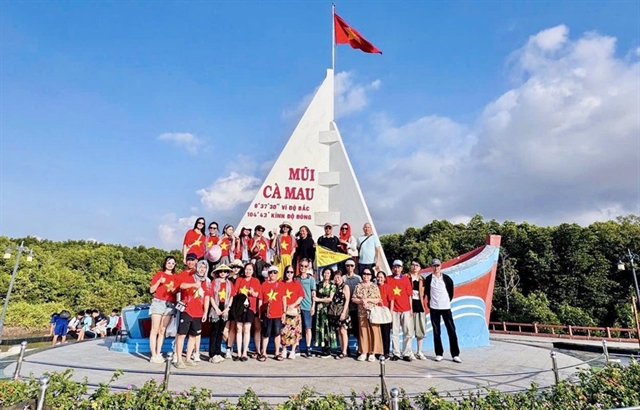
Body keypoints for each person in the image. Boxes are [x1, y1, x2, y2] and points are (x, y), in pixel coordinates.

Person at [175, 260, 211, 369]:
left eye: (204, 267)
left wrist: (205, 312)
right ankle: (179, 359)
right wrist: (194, 284)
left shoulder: (207, 282)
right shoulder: (191, 277)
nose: (202, 269)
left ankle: (188, 358)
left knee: (193, 336)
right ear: (197, 267)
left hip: (198, 312)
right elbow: (181, 285)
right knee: (181, 335)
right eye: (200, 267)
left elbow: (207, 298)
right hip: (187, 310)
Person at [424, 258, 461, 363]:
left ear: (441, 266)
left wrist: (446, 302)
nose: (436, 268)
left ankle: (455, 354)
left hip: (445, 307)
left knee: (451, 330)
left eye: (438, 266)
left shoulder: (447, 278)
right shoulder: (428, 279)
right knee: (436, 332)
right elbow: (427, 292)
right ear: (431, 267)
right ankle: (439, 353)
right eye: (434, 266)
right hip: (434, 308)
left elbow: (450, 293)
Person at [148, 256, 178, 363]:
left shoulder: (175, 277)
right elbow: (151, 290)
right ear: (165, 263)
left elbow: (176, 292)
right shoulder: (159, 274)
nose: (170, 265)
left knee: (162, 330)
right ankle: (153, 355)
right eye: (169, 263)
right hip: (158, 302)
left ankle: (158, 352)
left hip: (170, 304)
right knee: (154, 329)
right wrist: (159, 282)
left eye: (173, 263)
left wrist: (173, 289)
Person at [351, 268, 383, 362]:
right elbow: (353, 298)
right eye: (364, 273)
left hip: (373, 313)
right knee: (363, 332)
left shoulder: (374, 287)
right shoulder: (358, 286)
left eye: (368, 274)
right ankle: (364, 352)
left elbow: (378, 299)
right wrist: (362, 301)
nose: (366, 276)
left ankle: (372, 353)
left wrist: (368, 300)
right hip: (362, 312)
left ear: (371, 276)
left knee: (374, 331)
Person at [233, 262, 261, 361]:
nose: (247, 271)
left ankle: (244, 352)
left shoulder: (256, 281)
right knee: (238, 329)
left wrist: (252, 292)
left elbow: (257, 294)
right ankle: (238, 353)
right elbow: (235, 293)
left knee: (247, 329)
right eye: (246, 269)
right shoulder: (239, 280)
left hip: (250, 308)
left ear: (253, 271)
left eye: (250, 269)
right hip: (239, 308)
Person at [258, 265, 287, 361]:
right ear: (268, 274)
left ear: (277, 274)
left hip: (278, 313)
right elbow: (260, 299)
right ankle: (264, 352)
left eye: (275, 272)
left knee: (277, 333)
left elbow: (284, 299)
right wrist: (260, 312)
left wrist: (284, 312)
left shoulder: (281, 285)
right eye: (271, 272)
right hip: (267, 313)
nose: (273, 274)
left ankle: (277, 353)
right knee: (266, 333)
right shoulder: (264, 284)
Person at [388, 260, 414, 362]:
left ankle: (406, 353)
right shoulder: (388, 279)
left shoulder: (406, 279)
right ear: (392, 268)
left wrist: (411, 309)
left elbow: (409, 295)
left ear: (402, 268)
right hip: (394, 310)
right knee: (394, 332)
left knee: (407, 332)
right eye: (395, 267)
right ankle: (396, 353)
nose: (397, 269)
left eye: (399, 267)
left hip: (406, 309)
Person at [208, 264, 233, 363]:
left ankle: (218, 352)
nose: (223, 273)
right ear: (218, 273)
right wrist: (216, 308)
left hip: (225, 307)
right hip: (216, 307)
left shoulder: (229, 283)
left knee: (220, 332)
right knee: (214, 332)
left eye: (225, 271)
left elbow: (231, 296)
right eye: (221, 271)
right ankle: (212, 354)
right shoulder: (214, 282)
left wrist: (228, 308)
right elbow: (211, 296)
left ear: (228, 273)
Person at [281, 265, 304, 359]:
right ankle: (284, 349)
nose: (289, 274)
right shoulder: (281, 283)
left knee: (295, 331)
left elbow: (301, 296)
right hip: (284, 310)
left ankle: (293, 351)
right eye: (288, 272)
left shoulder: (297, 283)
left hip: (294, 310)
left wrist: (294, 304)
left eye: (291, 272)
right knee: (284, 331)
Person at [313, 267, 336, 357]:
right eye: (325, 273)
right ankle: (322, 347)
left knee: (328, 327)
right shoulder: (319, 284)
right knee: (320, 327)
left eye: (328, 273)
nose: (326, 275)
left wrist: (319, 299)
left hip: (328, 309)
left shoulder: (332, 286)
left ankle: (328, 348)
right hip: (319, 309)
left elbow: (330, 299)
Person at [295, 258, 316, 358]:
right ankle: (297, 347)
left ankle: (308, 348)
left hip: (307, 306)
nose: (303, 268)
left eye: (305, 266)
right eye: (301, 266)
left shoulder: (311, 279)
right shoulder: (296, 279)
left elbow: (313, 294)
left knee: (308, 328)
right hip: (297, 307)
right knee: (297, 328)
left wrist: (313, 306)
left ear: (308, 267)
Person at [329, 270, 351, 360]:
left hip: (342, 311)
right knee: (339, 331)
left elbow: (347, 301)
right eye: (335, 277)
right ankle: (342, 349)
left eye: (338, 277)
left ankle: (345, 351)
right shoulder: (334, 287)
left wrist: (344, 313)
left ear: (342, 277)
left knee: (343, 330)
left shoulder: (345, 286)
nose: (337, 279)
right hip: (335, 312)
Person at [409, 260, 428, 360]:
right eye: (413, 265)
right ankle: (409, 351)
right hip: (409, 308)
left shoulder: (422, 280)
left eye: (417, 265)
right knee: (409, 331)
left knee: (420, 331)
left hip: (420, 307)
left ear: (420, 268)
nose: (415, 267)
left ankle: (419, 351)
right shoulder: (406, 278)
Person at [343, 259, 362, 354]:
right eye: (348, 265)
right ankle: (346, 349)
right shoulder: (343, 278)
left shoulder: (358, 278)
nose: (350, 267)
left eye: (352, 265)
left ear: (354, 267)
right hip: (346, 308)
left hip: (356, 308)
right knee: (345, 329)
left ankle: (359, 349)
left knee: (357, 330)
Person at [376, 271, 393, 358]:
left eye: (381, 277)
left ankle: (386, 352)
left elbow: (391, 300)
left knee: (386, 333)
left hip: (385, 312)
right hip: (376, 312)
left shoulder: (388, 287)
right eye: (378, 277)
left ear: (384, 278)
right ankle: (378, 351)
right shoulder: (374, 287)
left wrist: (390, 312)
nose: (379, 279)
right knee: (378, 333)